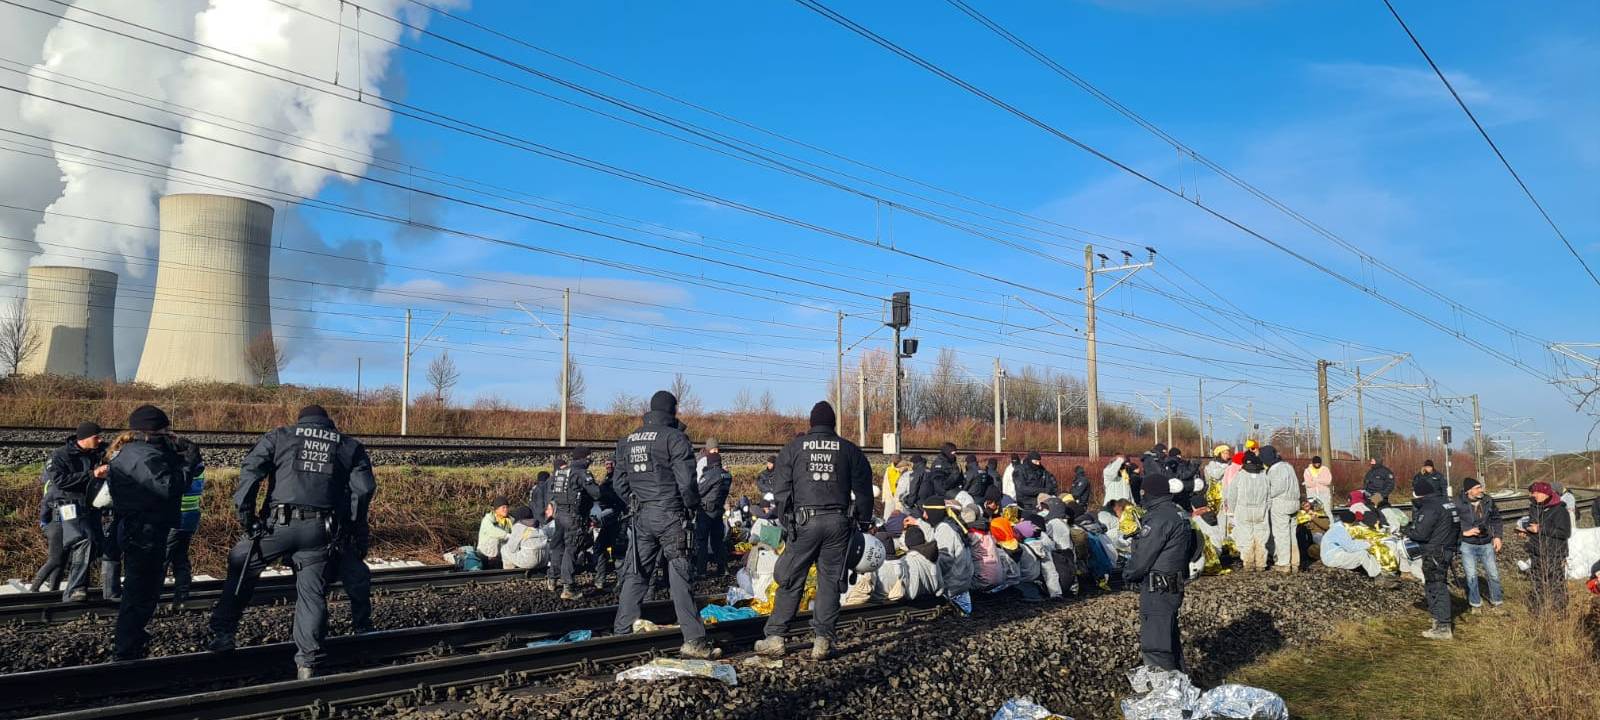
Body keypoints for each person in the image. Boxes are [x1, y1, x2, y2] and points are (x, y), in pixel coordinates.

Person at [208, 405, 376, 680]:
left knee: (241, 569)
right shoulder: (347, 445)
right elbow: (364, 489)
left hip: (276, 525)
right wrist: (352, 525)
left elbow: (251, 470)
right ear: (328, 423)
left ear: (302, 420)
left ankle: (223, 633)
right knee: (311, 593)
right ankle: (307, 662)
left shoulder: (280, 436)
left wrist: (247, 516)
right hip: (320, 531)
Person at [755, 401, 873, 660]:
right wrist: (863, 522)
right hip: (839, 524)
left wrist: (789, 522)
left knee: (791, 579)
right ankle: (823, 641)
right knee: (830, 581)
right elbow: (864, 489)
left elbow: (781, 489)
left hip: (804, 522)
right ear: (832, 424)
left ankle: (775, 637)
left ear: (811, 423)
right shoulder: (848, 449)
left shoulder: (793, 448)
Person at [610, 391, 717, 658]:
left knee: (638, 571)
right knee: (680, 574)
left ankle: (622, 630)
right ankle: (694, 640)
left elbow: (619, 484)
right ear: (673, 410)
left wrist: (635, 502)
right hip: (670, 514)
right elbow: (686, 483)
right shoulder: (675, 438)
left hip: (641, 515)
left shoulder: (628, 440)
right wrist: (691, 507)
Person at [104, 406, 190, 661]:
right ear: (156, 430)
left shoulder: (134, 452)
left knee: (142, 587)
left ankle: (131, 641)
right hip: (144, 530)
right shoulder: (141, 456)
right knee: (140, 589)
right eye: (166, 430)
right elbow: (168, 486)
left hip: (141, 527)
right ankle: (127, 646)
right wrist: (189, 462)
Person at [1123, 461, 1194, 672]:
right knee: (1169, 640)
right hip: (1172, 582)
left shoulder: (1159, 519)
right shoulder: (1177, 514)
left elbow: (1143, 556)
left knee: (1156, 645)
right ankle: (1181, 687)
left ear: (1148, 493)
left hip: (1158, 586)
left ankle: (1164, 694)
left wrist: (1129, 574)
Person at [37, 422, 106, 599]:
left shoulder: (98, 452)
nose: (100, 440)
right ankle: (72, 589)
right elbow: (60, 481)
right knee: (77, 545)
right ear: (84, 438)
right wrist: (92, 474)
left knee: (95, 547)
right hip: (67, 508)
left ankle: (71, 590)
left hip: (91, 508)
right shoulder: (61, 455)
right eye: (96, 437)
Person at [1405, 474, 1461, 640]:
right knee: (1437, 584)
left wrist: (1406, 530)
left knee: (1436, 586)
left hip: (1434, 551)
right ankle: (1439, 621)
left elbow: (1420, 534)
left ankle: (1443, 626)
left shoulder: (1430, 507)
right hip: (1447, 549)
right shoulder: (1448, 503)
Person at [548, 449, 602, 599]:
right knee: (571, 549)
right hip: (573, 516)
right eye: (589, 457)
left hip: (559, 515)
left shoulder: (561, 472)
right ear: (585, 458)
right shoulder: (581, 473)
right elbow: (596, 493)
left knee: (558, 546)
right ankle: (568, 586)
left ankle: (552, 578)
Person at [163, 441, 206, 607]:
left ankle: (152, 599)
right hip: (191, 516)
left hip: (177, 516)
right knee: (180, 557)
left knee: (163, 558)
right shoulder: (199, 466)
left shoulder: (183, 469)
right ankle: (182, 597)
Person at [1520, 481, 1572, 613]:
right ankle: (1540, 610)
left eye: (1536, 492)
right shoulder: (1534, 507)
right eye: (1532, 492)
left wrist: (1541, 529)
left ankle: (1560, 611)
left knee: (1555, 583)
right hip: (1537, 551)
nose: (1533, 495)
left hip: (1554, 553)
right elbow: (1533, 526)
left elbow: (1565, 532)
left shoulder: (1560, 510)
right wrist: (1525, 530)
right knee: (1538, 582)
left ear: (1545, 493)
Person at [1456, 478, 1504, 613]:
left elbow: (1496, 519)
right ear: (1468, 491)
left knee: (1493, 573)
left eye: (1480, 487)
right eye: (1477, 488)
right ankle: (1475, 603)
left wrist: (1498, 537)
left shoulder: (1488, 501)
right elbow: (1450, 524)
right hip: (1468, 544)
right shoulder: (1457, 503)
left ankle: (1497, 601)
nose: (1481, 490)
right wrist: (1464, 532)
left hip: (1486, 543)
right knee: (1471, 575)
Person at [1225, 451, 1271, 571]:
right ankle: (1261, 563)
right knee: (1261, 537)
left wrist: (1233, 509)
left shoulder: (1240, 475)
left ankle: (1248, 562)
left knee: (1246, 537)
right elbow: (1269, 496)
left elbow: (1232, 494)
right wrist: (1267, 507)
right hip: (1261, 510)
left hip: (1243, 510)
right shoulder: (1264, 476)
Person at [694, 445, 733, 579]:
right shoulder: (727, 475)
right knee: (718, 542)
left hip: (706, 512)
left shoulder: (711, 474)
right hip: (718, 511)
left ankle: (701, 571)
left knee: (702, 542)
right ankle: (723, 569)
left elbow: (699, 491)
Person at [1263, 445, 1300, 572]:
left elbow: (1277, 489)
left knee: (1281, 534)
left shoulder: (1274, 470)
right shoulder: (1288, 466)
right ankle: (1295, 562)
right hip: (1294, 503)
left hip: (1281, 505)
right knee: (1292, 534)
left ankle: (1283, 563)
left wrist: (1266, 493)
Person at [592, 459, 625, 589]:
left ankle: (620, 582)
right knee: (600, 548)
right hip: (608, 520)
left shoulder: (619, 479)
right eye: (606, 463)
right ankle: (600, 580)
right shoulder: (608, 479)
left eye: (611, 463)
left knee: (618, 550)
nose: (608, 466)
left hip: (618, 519)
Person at [501, 506, 548, 571]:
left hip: (530, 561)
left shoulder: (518, 526)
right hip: (544, 560)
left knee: (504, 549)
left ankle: (509, 574)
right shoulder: (538, 524)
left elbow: (511, 548)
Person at [479, 496, 514, 568]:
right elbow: (492, 531)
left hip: (501, 551)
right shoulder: (488, 519)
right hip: (485, 552)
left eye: (507, 507)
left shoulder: (510, 520)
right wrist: (507, 535)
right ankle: (491, 565)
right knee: (494, 539)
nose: (506, 510)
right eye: (503, 507)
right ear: (496, 509)